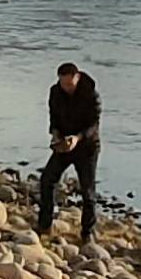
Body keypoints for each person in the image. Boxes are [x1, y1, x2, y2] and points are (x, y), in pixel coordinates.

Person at [37, 60, 101, 244]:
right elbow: (54, 117)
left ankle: (87, 232)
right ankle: (44, 225)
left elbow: (93, 125)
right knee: (47, 180)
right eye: (63, 84)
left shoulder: (91, 94)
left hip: (87, 146)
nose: (66, 88)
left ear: (77, 77)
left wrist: (77, 138)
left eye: (69, 84)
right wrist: (56, 135)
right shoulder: (55, 92)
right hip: (64, 145)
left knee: (87, 191)